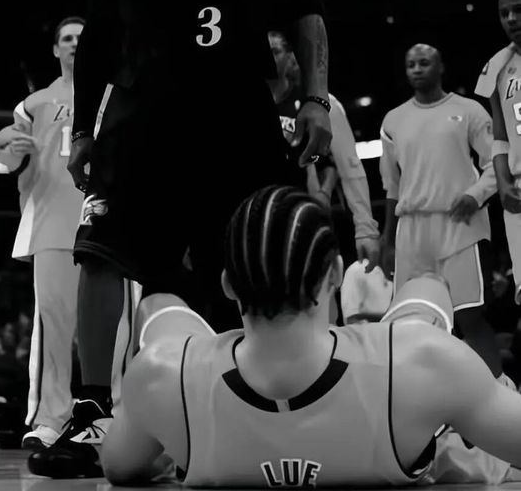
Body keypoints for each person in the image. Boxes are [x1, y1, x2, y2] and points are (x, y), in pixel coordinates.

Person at [49, 0, 331, 471]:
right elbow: (99, 38)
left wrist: (316, 97)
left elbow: (303, 7)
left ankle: (265, 405)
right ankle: (90, 413)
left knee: (253, 262)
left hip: (235, 112)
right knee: (98, 250)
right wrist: (82, 128)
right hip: (142, 115)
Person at [99, 186, 521, 486]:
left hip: (200, 389)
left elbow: (118, 465)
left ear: (228, 285)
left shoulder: (158, 376)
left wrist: (170, 433)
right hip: (390, 385)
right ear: (335, 273)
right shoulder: (425, 361)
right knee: (427, 286)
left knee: (159, 306)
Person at [0, 17, 94, 449]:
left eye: (81, 38)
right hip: (52, 225)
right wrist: (10, 150)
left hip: (107, 224)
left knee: (120, 331)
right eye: (67, 38)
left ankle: (117, 419)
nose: (74, 44)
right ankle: (51, 418)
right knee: (53, 327)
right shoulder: (33, 104)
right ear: (55, 49)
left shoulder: (116, 94)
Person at [380, 43, 502, 376]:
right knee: (413, 323)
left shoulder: (469, 110)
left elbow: (497, 162)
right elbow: (392, 186)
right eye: (411, 64)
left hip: (459, 224)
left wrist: (476, 194)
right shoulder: (393, 120)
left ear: (440, 67)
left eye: (424, 63)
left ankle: (499, 387)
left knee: (469, 316)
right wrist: (387, 240)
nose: (417, 69)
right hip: (412, 231)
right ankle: (428, 395)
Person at [268, 29, 380, 271]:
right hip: (262, 226)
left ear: (290, 57)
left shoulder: (318, 104)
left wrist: (365, 229)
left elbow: (350, 167)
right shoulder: (240, 107)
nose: (269, 59)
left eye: (275, 51)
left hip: (308, 223)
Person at [476, 0, 521, 303]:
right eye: (504, 13)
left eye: (518, 10)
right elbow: (500, 137)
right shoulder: (496, 66)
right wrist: (503, 184)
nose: (511, 19)